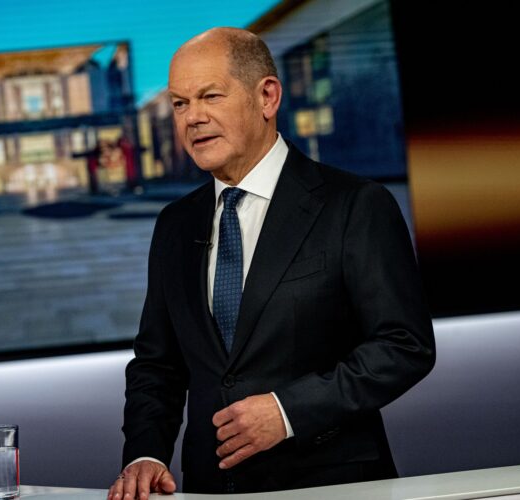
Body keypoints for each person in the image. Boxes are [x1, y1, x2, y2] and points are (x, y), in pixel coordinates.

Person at [108, 27, 435, 499]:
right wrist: (146, 454)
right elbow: (157, 365)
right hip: (211, 487)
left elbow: (405, 345)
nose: (192, 118)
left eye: (210, 96)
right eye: (180, 104)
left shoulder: (355, 205)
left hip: (332, 483)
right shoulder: (174, 226)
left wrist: (287, 412)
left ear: (267, 96)